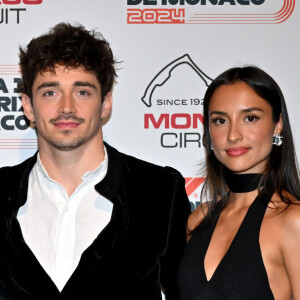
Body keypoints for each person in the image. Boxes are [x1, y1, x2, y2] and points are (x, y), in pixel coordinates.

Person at [0, 23, 190, 300]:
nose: (66, 107)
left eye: (82, 92)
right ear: (28, 106)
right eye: (50, 92)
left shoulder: (159, 191)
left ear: (106, 104)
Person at [178, 66, 300, 300]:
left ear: (277, 125)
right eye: (220, 120)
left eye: (250, 118)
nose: (233, 135)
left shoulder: (293, 222)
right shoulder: (198, 219)